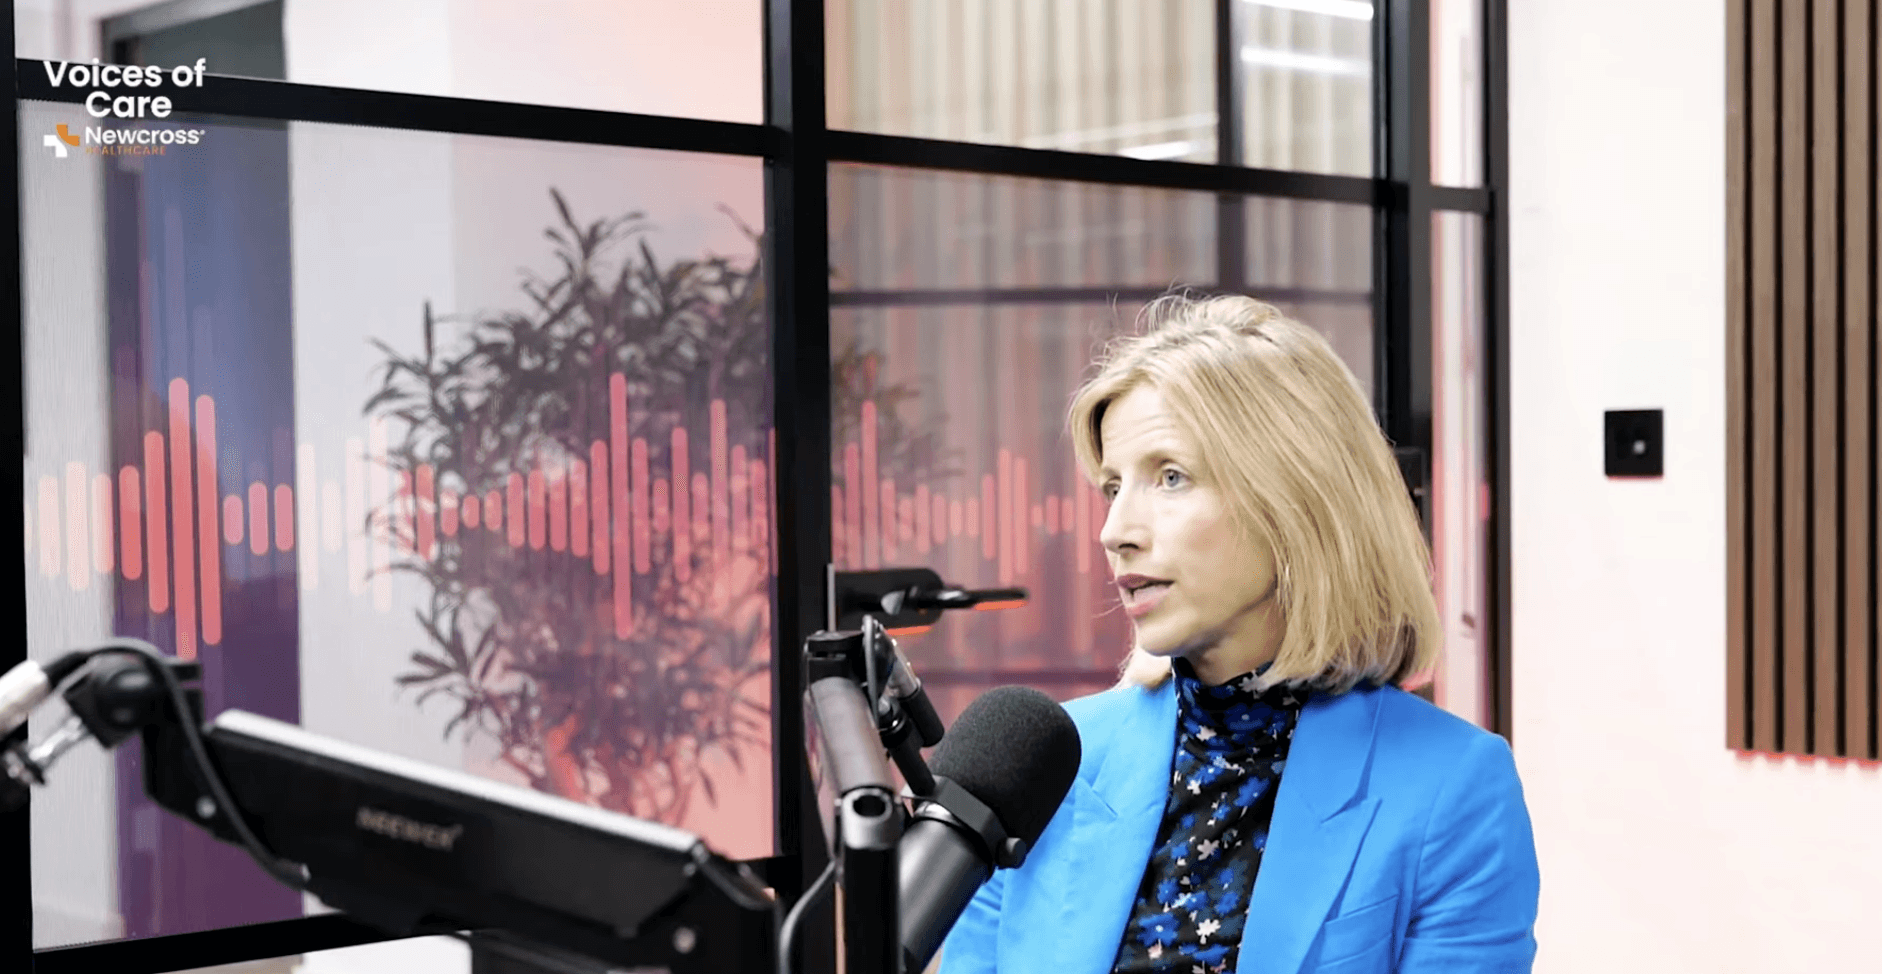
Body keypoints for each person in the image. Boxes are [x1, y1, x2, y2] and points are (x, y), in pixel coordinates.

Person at [938, 295, 1539, 974]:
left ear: (1296, 501)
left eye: (1171, 477)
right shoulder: (1040, 771)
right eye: (1112, 487)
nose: (1115, 531)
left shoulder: (1453, 787)